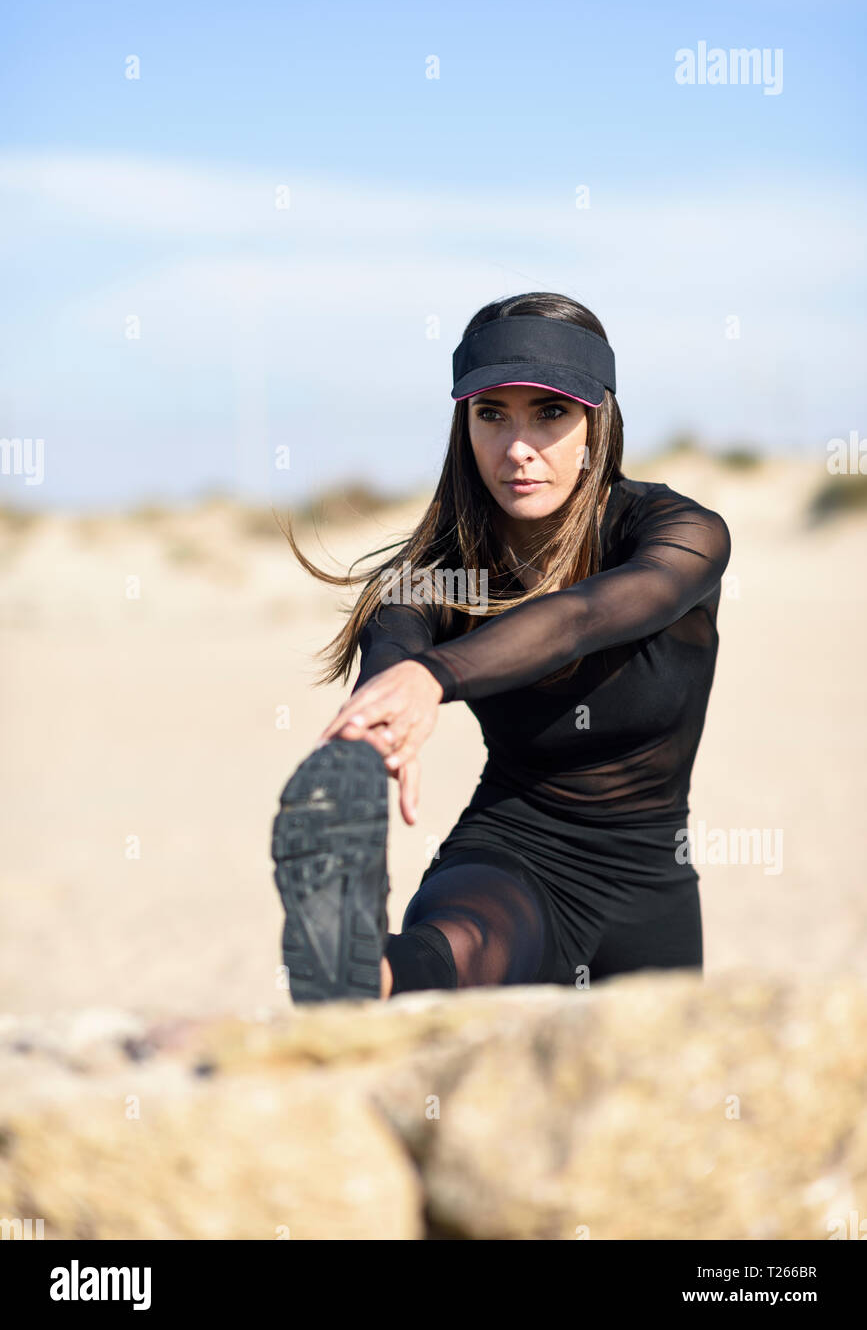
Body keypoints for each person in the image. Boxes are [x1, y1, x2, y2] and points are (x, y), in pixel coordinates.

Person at [271, 292, 732, 1003]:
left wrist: (435, 676)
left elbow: (580, 618)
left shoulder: (675, 533)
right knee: (459, 948)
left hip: (653, 882)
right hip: (511, 851)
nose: (517, 448)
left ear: (595, 423)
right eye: (492, 415)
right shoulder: (445, 573)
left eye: (549, 413)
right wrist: (377, 730)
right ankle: (358, 966)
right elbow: (396, 633)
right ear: (465, 426)